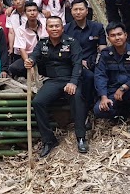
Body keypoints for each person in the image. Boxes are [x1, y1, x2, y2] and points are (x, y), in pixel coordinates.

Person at [27, 16, 88, 157]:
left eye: (57, 26)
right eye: (51, 26)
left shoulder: (72, 42)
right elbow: (34, 55)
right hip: (53, 81)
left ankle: (81, 137)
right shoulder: (42, 43)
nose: (54, 29)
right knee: (37, 102)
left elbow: (78, 63)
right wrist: (30, 61)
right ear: (46, 28)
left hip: (70, 79)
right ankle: (49, 140)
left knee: (77, 97)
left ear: (62, 27)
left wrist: (73, 82)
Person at [64, 0, 106, 117]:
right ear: (71, 12)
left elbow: (102, 48)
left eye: (81, 9)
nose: (78, 12)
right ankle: (87, 109)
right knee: (89, 77)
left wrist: (96, 61)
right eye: (75, 9)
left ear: (87, 11)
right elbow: (65, 50)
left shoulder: (97, 27)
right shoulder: (66, 29)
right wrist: (78, 62)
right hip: (73, 63)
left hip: (93, 61)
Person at [4, 2, 47, 78]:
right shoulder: (21, 29)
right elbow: (22, 49)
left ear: (37, 12)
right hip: (30, 56)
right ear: (25, 13)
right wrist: (29, 65)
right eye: (29, 11)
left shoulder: (45, 23)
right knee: (13, 68)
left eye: (34, 10)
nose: (32, 13)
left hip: (45, 54)